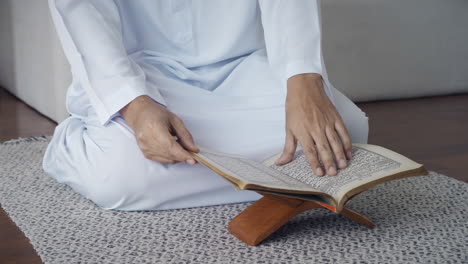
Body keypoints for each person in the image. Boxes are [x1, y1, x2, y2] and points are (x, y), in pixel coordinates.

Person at [43, 0, 369, 211]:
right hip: (143, 77)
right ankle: (77, 145)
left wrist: (304, 81)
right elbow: (82, 11)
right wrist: (135, 104)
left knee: (348, 132)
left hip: (245, 65)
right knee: (119, 176)